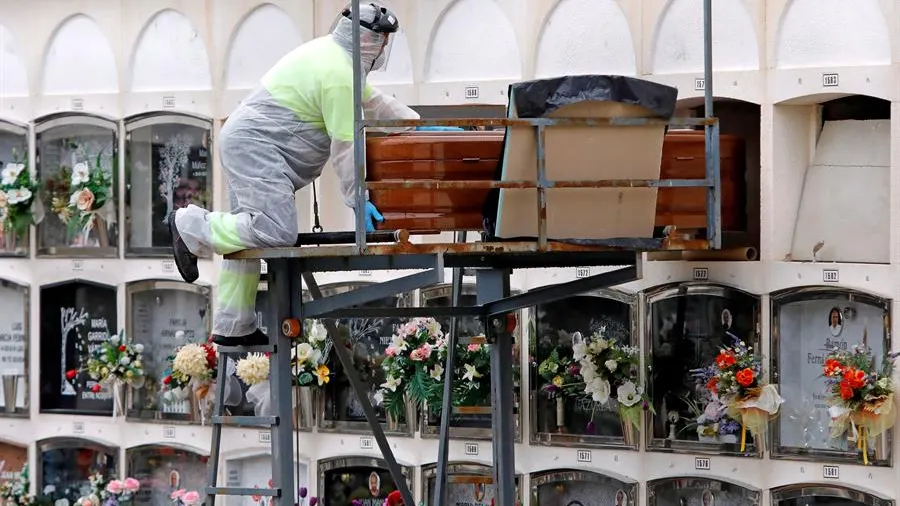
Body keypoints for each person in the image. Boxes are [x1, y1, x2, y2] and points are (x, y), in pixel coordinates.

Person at [168, 3, 422, 347]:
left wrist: (417, 125)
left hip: (247, 143)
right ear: (370, 41)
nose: (384, 50)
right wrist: (357, 199)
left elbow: (376, 104)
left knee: (246, 229)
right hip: (256, 147)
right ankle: (189, 224)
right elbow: (347, 148)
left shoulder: (336, 59)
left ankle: (233, 324)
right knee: (275, 230)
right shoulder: (339, 75)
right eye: (384, 42)